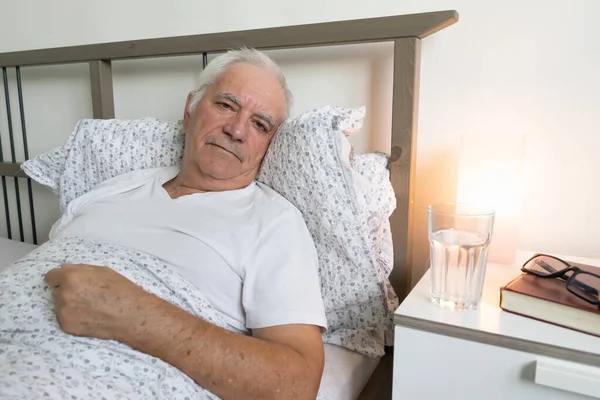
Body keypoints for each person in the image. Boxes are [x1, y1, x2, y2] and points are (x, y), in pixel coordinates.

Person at [42, 48, 327, 400]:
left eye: (260, 124)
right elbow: (42, 263)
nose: (237, 130)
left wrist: (137, 315)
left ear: (269, 145)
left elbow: (297, 385)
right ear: (189, 111)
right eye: (226, 105)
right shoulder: (116, 186)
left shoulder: (274, 223)